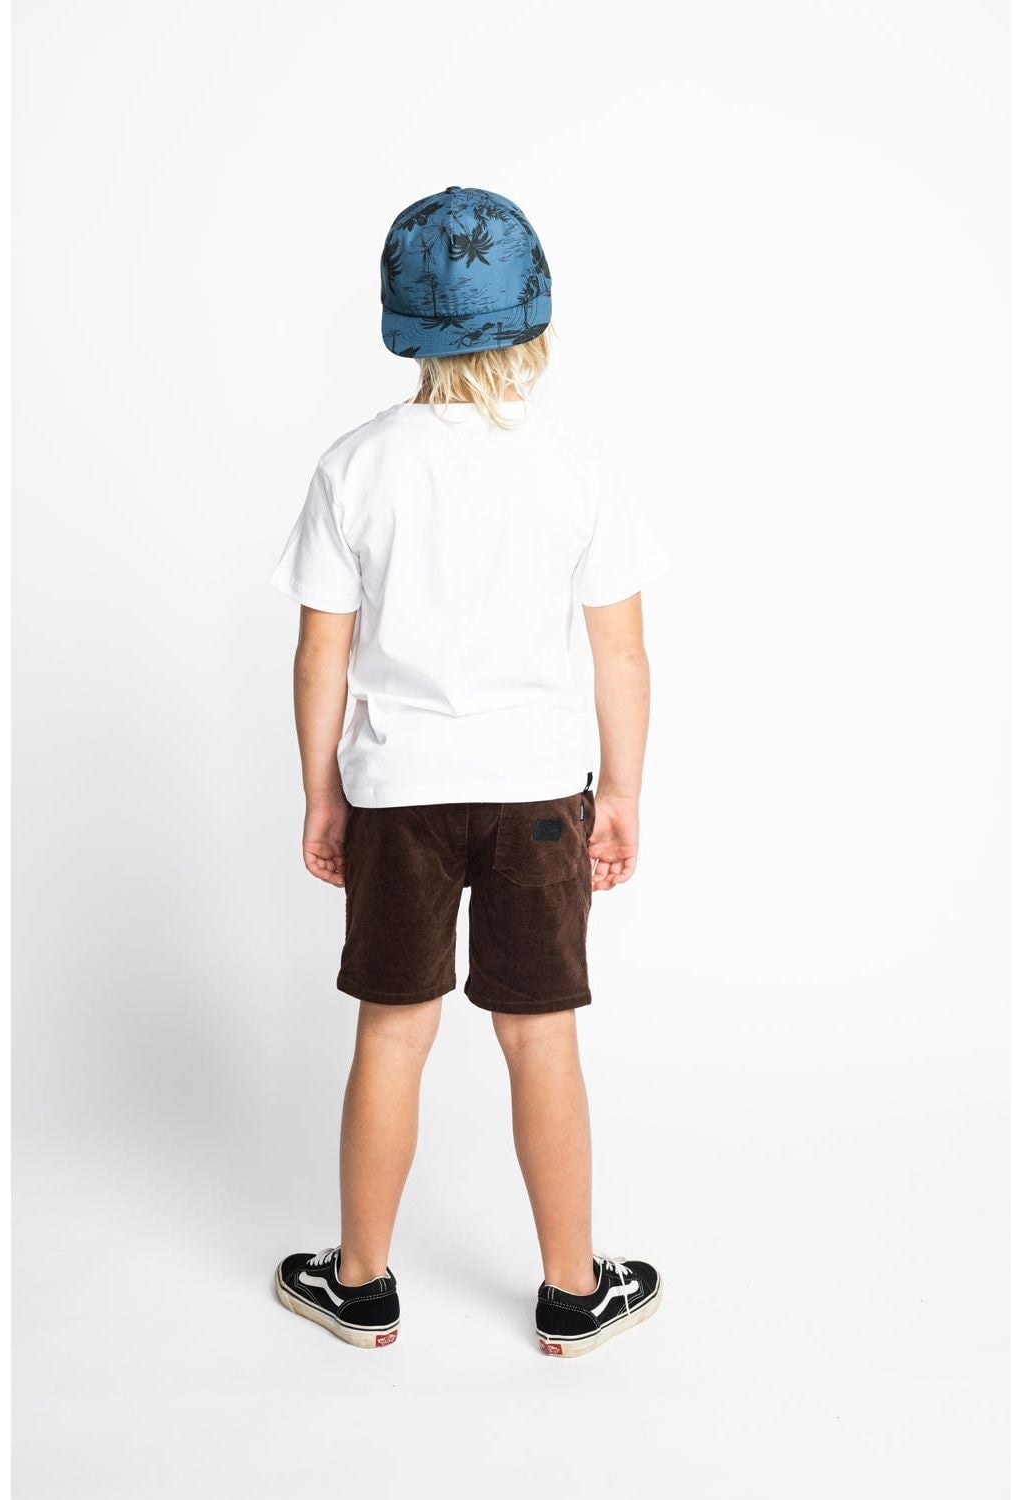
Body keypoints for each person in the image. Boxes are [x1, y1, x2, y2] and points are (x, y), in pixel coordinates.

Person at [269, 187, 667, 1357]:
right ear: (537, 316)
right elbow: (622, 653)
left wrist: (323, 793)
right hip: (538, 795)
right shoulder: (577, 470)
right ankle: (572, 1292)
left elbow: (321, 654)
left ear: (401, 323)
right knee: (541, 1037)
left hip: (398, 796)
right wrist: (622, 792)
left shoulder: (354, 468)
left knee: (393, 1032)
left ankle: (359, 1284)